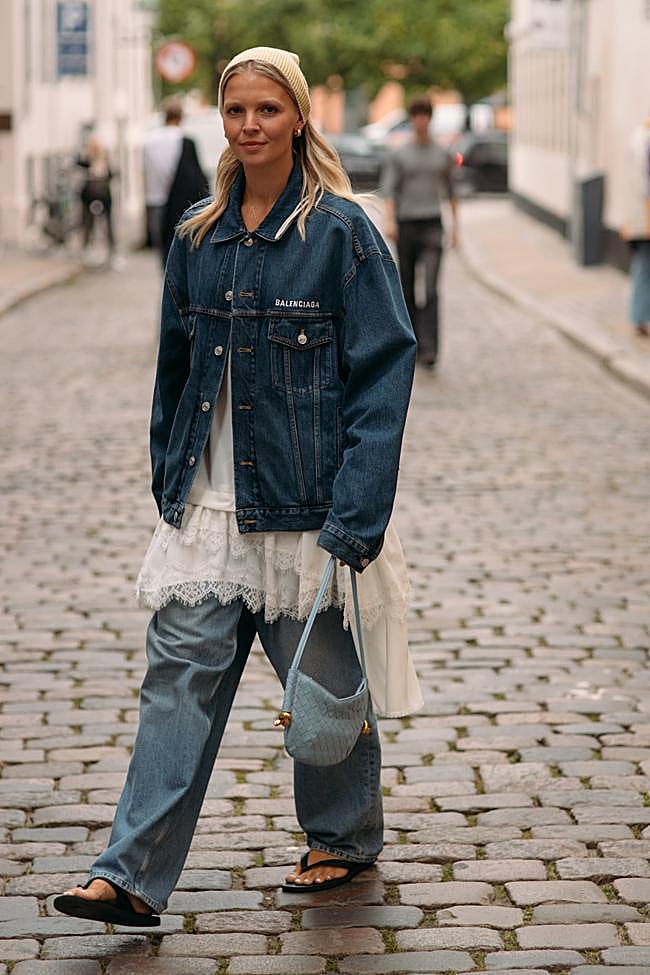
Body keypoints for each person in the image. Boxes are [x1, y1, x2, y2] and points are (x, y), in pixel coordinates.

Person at [53, 46, 422, 927]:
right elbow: (174, 368)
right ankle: (128, 873)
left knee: (324, 694)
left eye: (266, 110)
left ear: (298, 117)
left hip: (310, 510)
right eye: (235, 111)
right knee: (174, 683)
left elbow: (384, 373)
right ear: (222, 121)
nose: (250, 126)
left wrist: (356, 515)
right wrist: (166, 476)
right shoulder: (197, 234)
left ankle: (340, 839)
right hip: (211, 508)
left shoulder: (341, 233)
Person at [382, 95, 459, 369]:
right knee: (407, 286)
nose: (421, 120)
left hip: (432, 224)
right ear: (412, 118)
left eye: (425, 115)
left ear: (430, 118)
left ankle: (431, 348)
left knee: (431, 289)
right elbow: (390, 191)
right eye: (416, 115)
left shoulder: (442, 154)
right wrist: (390, 222)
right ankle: (411, 343)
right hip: (406, 224)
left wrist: (456, 230)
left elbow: (452, 192)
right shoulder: (400, 154)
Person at [142, 97, 209, 266]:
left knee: (163, 248)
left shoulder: (149, 141)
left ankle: (166, 282)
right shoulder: (185, 141)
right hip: (180, 203)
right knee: (182, 248)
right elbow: (196, 177)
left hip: (155, 199)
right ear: (181, 116)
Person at [621, 114, 650, 338]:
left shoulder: (635, 139)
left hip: (636, 219)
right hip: (645, 220)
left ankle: (638, 316)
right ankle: (639, 317)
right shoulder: (646, 142)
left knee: (642, 267)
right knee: (645, 268)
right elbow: (646, 188)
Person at [76, 136, 117, 266]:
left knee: (107, 225)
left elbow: (112, 174)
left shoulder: (104, 160)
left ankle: (111, 251)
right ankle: (88, 249)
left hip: (103, 197)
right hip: (90, 197)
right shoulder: (86, 161)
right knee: (88, 223)